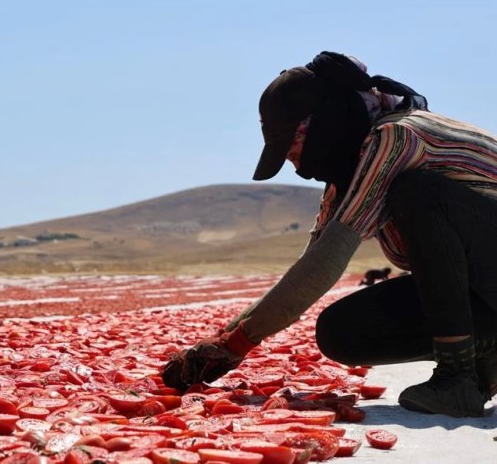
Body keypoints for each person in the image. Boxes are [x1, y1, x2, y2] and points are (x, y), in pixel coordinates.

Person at [161, 51, 497, 418]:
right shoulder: (353, 171)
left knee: (416, 192)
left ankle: (459, 377)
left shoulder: (397, 137)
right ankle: (489, 357)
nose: (296, 164)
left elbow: (329, 259)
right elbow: (309, 267)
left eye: (294, 146)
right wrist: (222, 343)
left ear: (325, 123)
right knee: (342, 330)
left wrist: (238, 344)